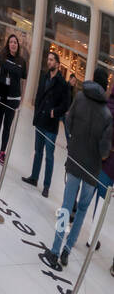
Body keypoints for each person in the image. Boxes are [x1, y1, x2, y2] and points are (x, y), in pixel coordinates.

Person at [42, 66, 111, 270]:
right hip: (92, 170)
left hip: (75, 161)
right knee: (81, 211)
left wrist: (74, 143)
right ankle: (67, 250)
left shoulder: (80, 97)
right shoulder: (107, 115)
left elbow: (68, 123)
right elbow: (105, 150)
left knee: (66, 207)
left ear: (92, 80)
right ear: (105, 85)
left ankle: (55, 249)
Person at [22, 50, 70, 197]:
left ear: (57, 63)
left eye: (51, 60)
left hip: (51, 124)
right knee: (38, 151)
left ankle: (47, 186)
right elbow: (38, 96)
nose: (48, 62)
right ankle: (34, 178)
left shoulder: (62, 83)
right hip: (41, 119)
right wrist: (37, 111)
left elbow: (66, 104)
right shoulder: (44, 76)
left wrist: (55, 112)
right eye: (48, 59)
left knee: (49, 156)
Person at [0, 33, 27, 162]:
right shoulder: (2, 56)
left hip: (14, 99)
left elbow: (23, 81)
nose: (13, 44)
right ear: (8, 44)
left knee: (7, 126)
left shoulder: (22, 61)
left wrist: (23, 98)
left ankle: (2, 152)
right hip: (1, 96)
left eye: (15, 42)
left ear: (18, 45)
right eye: (11, 42)